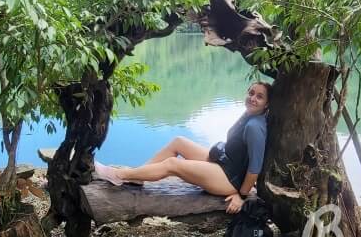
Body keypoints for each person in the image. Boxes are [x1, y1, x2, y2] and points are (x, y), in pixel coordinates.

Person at [95, 81, 271, 214]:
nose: (253, 98)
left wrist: (241, 196)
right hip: (225, 163)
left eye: (259, 97)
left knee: (172, 164)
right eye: (251, 93)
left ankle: (120, 175)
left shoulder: (255, 127)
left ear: (267, 104)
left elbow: (255, 168)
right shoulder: (248, 115)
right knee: (178, 142)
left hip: (230, 180)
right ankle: (138, 176)